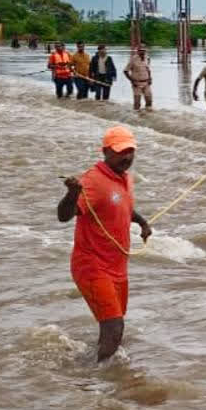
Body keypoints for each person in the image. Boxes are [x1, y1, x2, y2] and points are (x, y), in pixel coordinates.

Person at [57, 126, 152, 363]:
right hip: (92, 267)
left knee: (111, 327)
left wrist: (142, 222)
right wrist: (72, 193)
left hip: (117, 267)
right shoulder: (93, 181)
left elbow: (121, 206)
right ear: (106, 152)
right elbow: (64, 215)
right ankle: (100, 379)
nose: (127, 157)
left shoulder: (125, 177)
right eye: (120, 152)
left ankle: (88, 367)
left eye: (130, 151)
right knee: (115, 327)